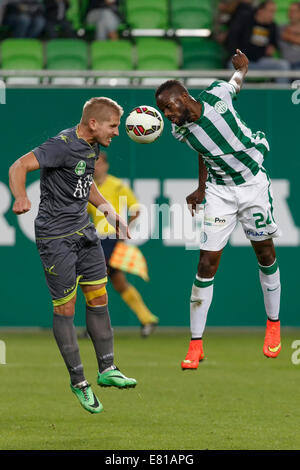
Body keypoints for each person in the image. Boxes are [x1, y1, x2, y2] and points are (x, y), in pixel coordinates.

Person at [9, 97, 137, 414]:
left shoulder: (91, 147)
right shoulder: (61, 144)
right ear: (93, 123)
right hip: (56, 237)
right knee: (66, 307)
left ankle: (107, 369)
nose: (117, 132)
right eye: (113, 125)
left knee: (99, 297)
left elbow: (85, 182)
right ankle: (79, 382)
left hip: (84, 231)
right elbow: (19, 165)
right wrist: (21, 196)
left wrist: (108, 212)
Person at [155, 50, 282, 370]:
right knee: (206, 261)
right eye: (163, 111)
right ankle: (195, 344)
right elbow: (204, 150)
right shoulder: (180, 131)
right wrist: (201, 187)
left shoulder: (217, 95)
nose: (168, 115)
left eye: (169, 107)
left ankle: (273, 324)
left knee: (265, 254)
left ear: (183, 96)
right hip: (220, 193)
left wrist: (242, 69)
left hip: (253, 185)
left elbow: (235, 83)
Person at [86, 151, 159, 337]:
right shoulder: (89, 187)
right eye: (94, 163)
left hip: (111, 237)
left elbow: (136, 209)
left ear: (106, 166)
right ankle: (147, 319)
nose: (97, 167)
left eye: (100, 163)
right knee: (118, 283)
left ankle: (95, 327)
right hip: (97, 238)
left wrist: (124, 229)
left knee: (94, 280)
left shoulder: (117, 185)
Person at [224, 0, 290, 83]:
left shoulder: (272, 26)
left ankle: (281, 95)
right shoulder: (244, 20)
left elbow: (274, 44)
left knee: (282, 65)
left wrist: (272, 48)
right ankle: (240, 94)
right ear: (260, 11)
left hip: (259, 61)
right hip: (243, 60)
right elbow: (232, 40)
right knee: (232, 64)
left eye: (274, 12)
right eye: (271, 11)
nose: (272, 15)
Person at [279, 1, 300, 70]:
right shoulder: (282, 28)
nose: (290, 14)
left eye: (294, 11)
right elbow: (285, 35)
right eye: (289, 11)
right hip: (289, 64)